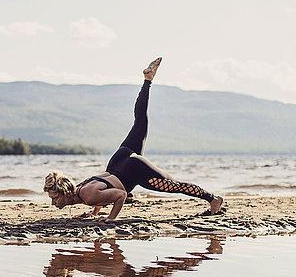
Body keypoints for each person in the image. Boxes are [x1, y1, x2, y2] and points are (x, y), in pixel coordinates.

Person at [44, 58, 223, 220]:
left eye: (55, 198)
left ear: (66, 192)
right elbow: (102, 194)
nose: (53, 203)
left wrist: (111, 218)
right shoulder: (83, 190)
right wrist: (94, 212)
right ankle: (148, 80)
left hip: (132, 170)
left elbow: (120, 196)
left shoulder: (87, 195)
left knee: (174, 186)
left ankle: (214, 199)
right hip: (119, 161)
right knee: (140, 121)